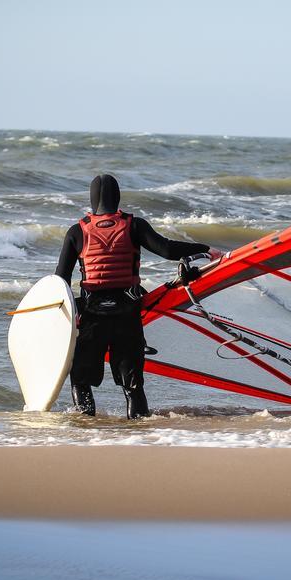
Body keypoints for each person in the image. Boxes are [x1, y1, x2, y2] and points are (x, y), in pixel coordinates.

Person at [55, 173, 220, 419]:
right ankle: (139, 434)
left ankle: (84, 432)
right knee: (133, 386)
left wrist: (62, 321)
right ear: (118, 197)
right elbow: (167, 249)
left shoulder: (76, 232)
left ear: (91, 200)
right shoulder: (133, 225)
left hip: (92, 319)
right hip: (127, 317)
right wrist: (206, 250)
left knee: (80, 380)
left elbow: (60, 281)